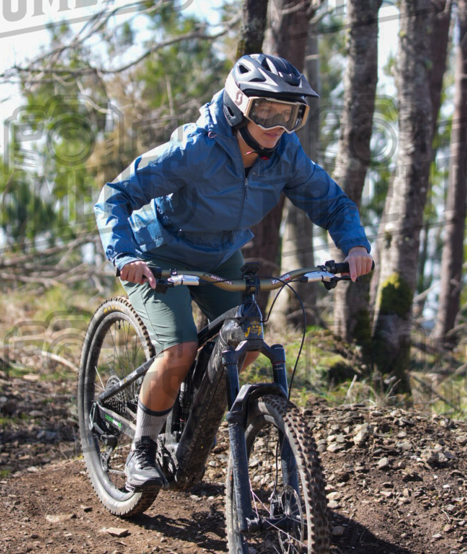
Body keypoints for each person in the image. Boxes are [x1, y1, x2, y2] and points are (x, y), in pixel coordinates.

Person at [95, 53, 373, 490]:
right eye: (268, 112)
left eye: (291, 114)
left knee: (245, 343)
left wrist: (355, 244)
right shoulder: (196, 147)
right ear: (238, 104)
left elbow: (331, 202)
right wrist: (124, 255)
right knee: (179, 350)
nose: (279, 125)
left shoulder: (285, 154)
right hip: (161, 255)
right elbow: (115, 195)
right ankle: (142, 450)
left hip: (221, 254)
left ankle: (184, 410)